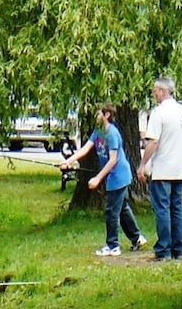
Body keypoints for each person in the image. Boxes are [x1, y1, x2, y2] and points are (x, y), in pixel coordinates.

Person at [59, 104, 146, 255]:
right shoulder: (98, 131)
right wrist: (68, 161)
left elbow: (113, 160)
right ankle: (137, 237)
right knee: (122, 208)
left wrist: (98, 178)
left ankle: (113, 246)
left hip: (119, 176)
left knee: (111, 211)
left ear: (106, 115)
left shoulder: (112, 133)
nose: (95, 117)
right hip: (113, 176)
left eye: (98, 114)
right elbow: (85, 149)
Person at [138, 77, 182, 261]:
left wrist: (142, 164)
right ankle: (179, 248)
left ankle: (163, 248)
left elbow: (153, 141)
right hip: (180, 169)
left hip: (163, 168)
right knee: (177, 207)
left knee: (162, 208)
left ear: (162, 91)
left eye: (155, 90)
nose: (154, 94)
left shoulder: (158, 113)